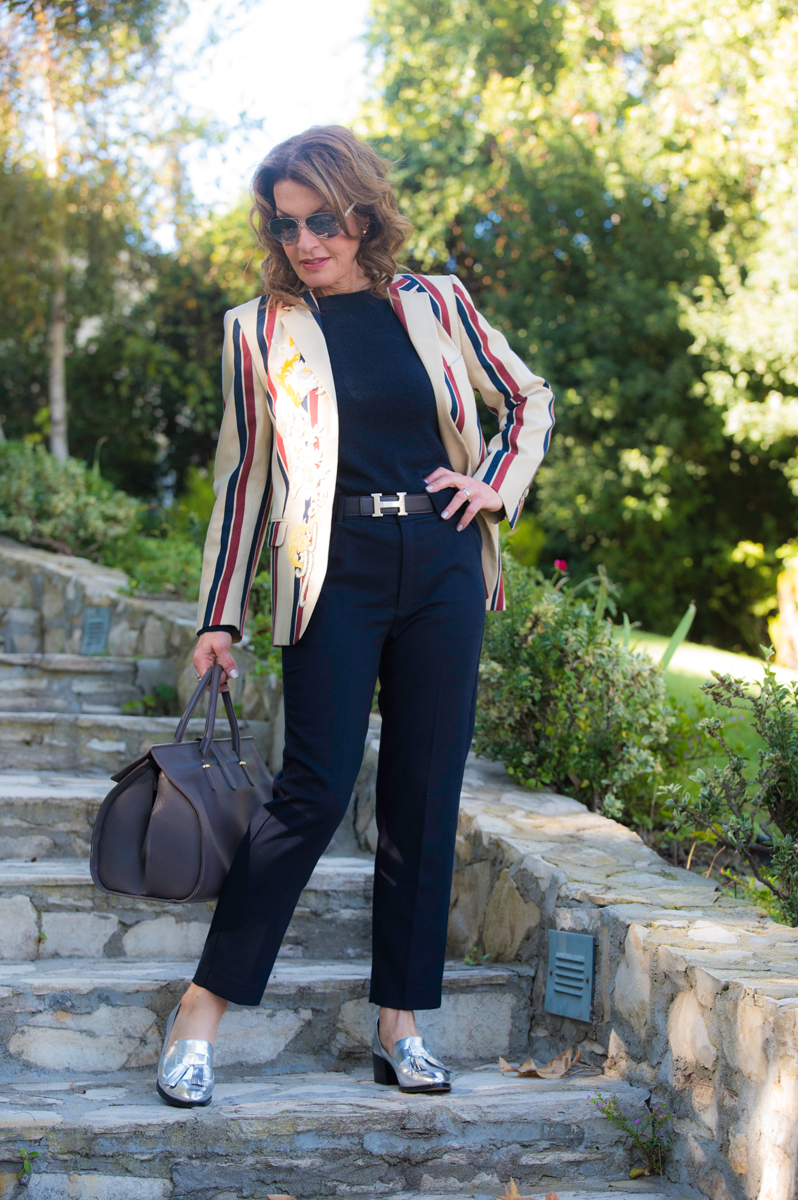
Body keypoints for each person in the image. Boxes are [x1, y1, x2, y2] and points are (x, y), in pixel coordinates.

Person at [156, 125, 555, 1108]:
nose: (305, 241)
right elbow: (245, 479)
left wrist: (495, 486)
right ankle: (201, 1011)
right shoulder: (259, 328)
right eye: (287, 224)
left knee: (424, 797)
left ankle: (401, 1023)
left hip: (444, 564)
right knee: (313, 790)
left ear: (362, 213)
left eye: (322, 220)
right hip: (332, 568)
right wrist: (220, 617)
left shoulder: (436, 302)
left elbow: (527, 398)